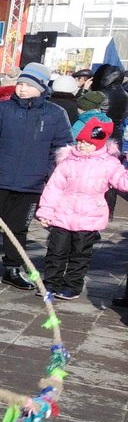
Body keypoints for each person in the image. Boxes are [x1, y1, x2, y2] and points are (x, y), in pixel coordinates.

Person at [0, 62, 71, 289]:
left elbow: (62, 150)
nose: (22, 89)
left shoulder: (54, 114)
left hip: (31, 183)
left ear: (41, 88)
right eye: (20, 84)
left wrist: (47, 175)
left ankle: (12, 268)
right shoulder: (0, 110)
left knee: (18, 228)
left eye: (29, 85)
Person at [36, 117, 128, 300]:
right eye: (80, 141)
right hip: (63, 214)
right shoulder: (68, 161)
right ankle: (50, 283)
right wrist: (46, 211)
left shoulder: (109, 163)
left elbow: (123, 182)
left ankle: (72, 285)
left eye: (88, 143)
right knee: (56, 252)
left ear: (99, 143)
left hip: (89, 216)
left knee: (80, 254)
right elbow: (53, 188)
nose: (82, 146)